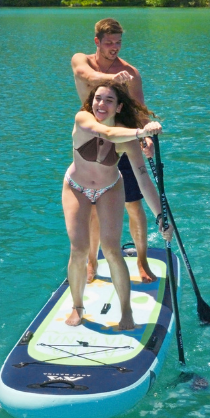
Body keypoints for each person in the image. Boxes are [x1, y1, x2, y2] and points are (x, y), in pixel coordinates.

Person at [62, 83, 173, 329]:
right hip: (76, 188)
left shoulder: (128, 137)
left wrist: (160, 217)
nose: (101, 104)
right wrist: (142, 132)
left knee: (112, 250)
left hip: (110, 188)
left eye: (108, 100)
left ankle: (126, 312)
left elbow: (143, 180)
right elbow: (108, 135)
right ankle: (77, 306)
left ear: (119, 106)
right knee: (79, 249)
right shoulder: (83, 118)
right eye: (97, 99)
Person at [71, 18, 156, 283]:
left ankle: (142, 262)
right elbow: (88, 77)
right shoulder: (81, 60)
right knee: (94, 206)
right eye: (109, 42)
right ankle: (92, 264)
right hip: (92, 140)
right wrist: (112, 79)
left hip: (122, 140)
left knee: (133, 204)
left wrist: (146, 138)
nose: (114, 47)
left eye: (118, 42)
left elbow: (140, 109)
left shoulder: (130, 73)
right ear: (97, 41)